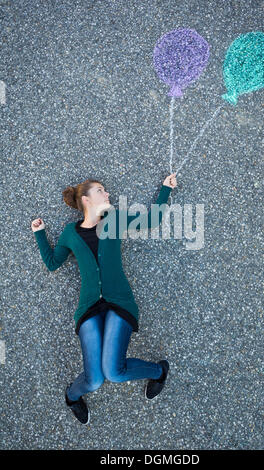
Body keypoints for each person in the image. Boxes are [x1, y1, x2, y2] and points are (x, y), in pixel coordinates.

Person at [31, 172, 177, 425]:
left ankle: (159, 370)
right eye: (101, 190)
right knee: (94, 379)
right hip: (88, 307)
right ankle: (71, 397)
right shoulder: (69, 233)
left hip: (119, 303)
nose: (107, 194)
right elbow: (54, 263)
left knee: (114, 372)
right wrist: (40, 234)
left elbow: (152, 219)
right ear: (86, 199)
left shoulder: (115, 220)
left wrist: (166, 189)